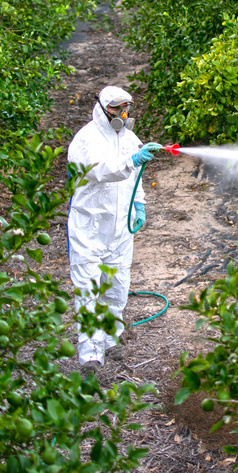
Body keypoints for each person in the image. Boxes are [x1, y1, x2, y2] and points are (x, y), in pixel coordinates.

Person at [67, 85, 161, 377]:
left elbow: (138, 177)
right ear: (100, 108)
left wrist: (139, 205)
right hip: (90, 228)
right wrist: (132, 160)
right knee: (89, 286)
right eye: (115, 108)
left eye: (126, 108)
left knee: (118, 284)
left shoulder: (130, 137)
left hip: (120, 227)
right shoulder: (86, 140)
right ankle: (90, 352)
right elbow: (102, 170)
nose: (121, 114)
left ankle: (110, 338)